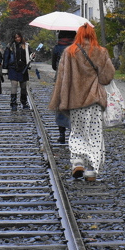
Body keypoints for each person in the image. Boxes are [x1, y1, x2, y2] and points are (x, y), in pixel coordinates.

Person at [48, 24, 115, 182]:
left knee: (77, 132)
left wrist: (60, 100)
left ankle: (77, 162)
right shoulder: (101, 52)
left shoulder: (69, 52)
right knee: (94, 135)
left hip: (75, 101)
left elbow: (61, 79)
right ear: (92, 35)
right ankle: (91, 170)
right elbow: (107, 78)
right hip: (94, 101)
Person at [50, 30, 75, 143]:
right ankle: (73, 132)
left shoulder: (57, 48)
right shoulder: (76, 47)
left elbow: (53, 66)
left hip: (60, 80)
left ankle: (61, 134)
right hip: (74, 80)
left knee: (60, 106)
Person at [3, 32, 31, 110]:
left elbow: (30, 56)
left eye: (19, 37)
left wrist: (32, 56)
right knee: (14, 85)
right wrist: (5, 69)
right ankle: (13, 103)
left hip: (23, 68)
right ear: (13, 38)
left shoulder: (26, 46)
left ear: (21, 37)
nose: (17, 39)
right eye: (16, 37)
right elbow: (6, 57)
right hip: (13, 68)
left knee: (23, 86)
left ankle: (24, 102)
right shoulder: (10, 46)